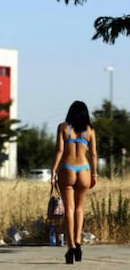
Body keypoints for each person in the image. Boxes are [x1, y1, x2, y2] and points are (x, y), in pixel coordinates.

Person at [51, 100, 98, 264]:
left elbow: (59, 150)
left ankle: (70, 245)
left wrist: (53, 171)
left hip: (67, 168)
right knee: (80, 208)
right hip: (84, 169)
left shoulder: (63, 127)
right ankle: (78, 241)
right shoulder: (89, 130)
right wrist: (94, 174)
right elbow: (93, 154)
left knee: (69, 209)